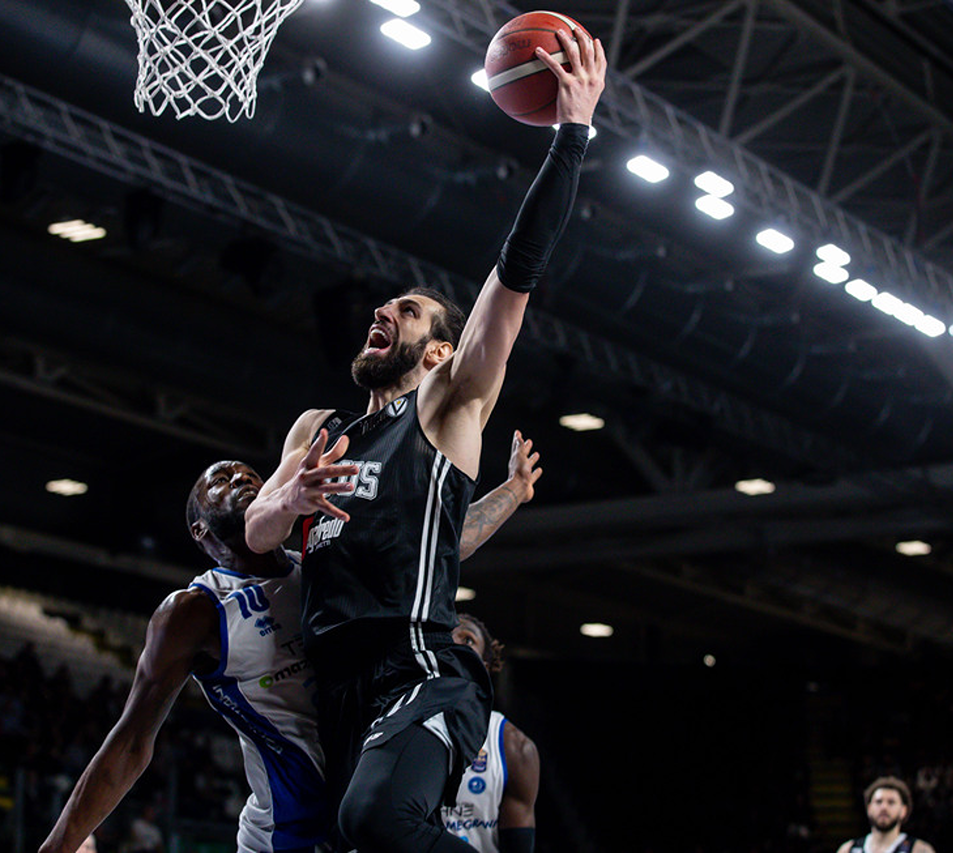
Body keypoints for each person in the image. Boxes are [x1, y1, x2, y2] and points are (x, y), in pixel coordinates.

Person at [243, 24, 604, 853]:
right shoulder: (317, 431)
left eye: (406, 311)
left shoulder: (446, 407)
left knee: (373, 819)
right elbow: (261, 537)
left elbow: (514, 278)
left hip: (421, 670)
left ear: (440, 350)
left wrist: (571, 140)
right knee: (355, 836)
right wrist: (290, 497)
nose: (383, 311)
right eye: (383, 306)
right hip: (333, 680)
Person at [39, 438, 541, 853]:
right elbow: (131, 740)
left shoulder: (322, 567)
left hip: (361, 812)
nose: (241, 479)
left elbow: (442, 542)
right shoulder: (195, 611)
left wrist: (515, 490)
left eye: (250, 476)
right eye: (221, 480)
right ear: (198, 529)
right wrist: (62, 843)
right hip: (284, 835)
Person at [443, 614, 539, 853]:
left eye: (467, 640)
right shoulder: (389, 723)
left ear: (484, 666)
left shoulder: (514, 748)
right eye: (445, 635)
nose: (454, 643)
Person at [837, 777, 936, 853]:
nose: (884, 807)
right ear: (869, 808)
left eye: (891, 802)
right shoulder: (848, 849)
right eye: (879, 802)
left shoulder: (919, 850)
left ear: (903, 810)